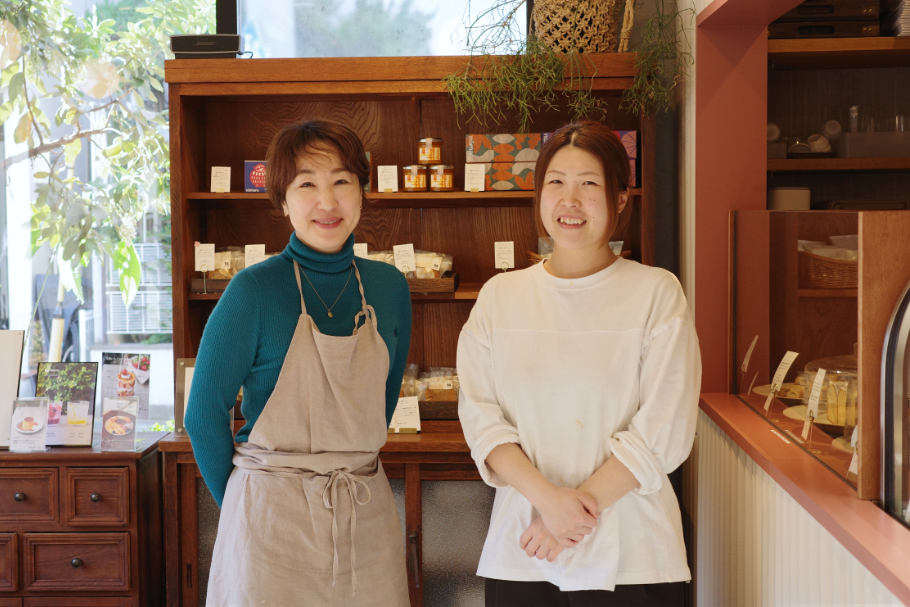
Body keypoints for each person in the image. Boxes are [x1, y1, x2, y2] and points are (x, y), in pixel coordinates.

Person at [457, 121, 701, 606]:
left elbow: (664, 426)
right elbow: (481, 419)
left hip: (632, 553)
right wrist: (549, 504)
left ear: (621, 197)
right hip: (524, 550)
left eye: (588, 183)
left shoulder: (656, 293)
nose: (570, 200)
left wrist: (567, 518)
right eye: (556, 182)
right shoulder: (500, 297)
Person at [185, 119, 412, 606]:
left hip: (365, 517)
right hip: (269, 525)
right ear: (283, 201)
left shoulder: (389, 287)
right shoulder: (253, 291)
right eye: (306, 184)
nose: (327, 202)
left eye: (341, 181)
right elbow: (202, 414)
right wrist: (244, 507)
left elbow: (383, 400)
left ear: (362, 193)